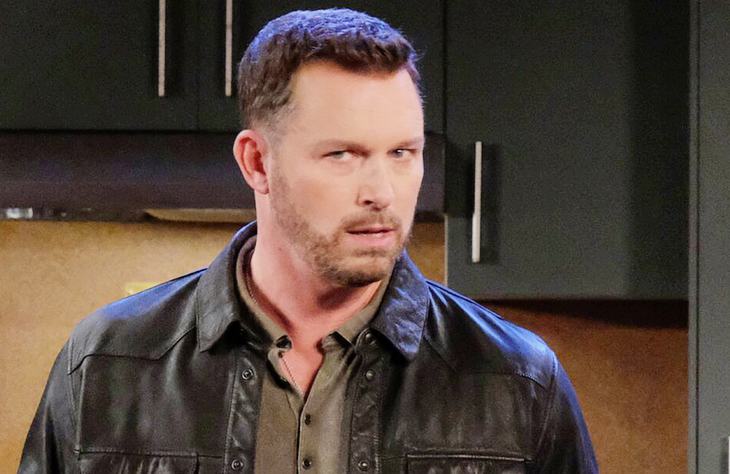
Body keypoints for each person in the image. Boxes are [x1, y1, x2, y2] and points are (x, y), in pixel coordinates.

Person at [19, 8, 597, 473]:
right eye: (342, 154)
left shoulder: (516, 378)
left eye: (402, 153)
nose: (382, 192)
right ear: (257, 162)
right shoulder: (108, 363)